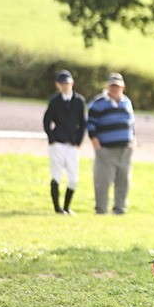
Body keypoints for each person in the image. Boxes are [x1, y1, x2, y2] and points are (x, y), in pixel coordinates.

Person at [87, 72, 135, 215]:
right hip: (105, 149)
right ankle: (101, 210)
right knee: (102, 182)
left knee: (123, 181)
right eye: (112, 86)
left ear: (123, 87)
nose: (115, 89)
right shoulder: (98, 103)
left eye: (118, 86)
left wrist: (133, 139)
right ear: (108, 86)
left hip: (125, 150)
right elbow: (90, 126)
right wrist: (97, 146)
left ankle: (120, 209)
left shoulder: (127, 102)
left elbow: (131, 122)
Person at [42, 69, 86, 214]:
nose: (65, 86)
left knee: (73, 179)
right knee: (56, 176)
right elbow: (47, 121)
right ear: (58, 85)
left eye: (67, 83)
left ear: (72, 83)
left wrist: (78, 141)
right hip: (58, 143)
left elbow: (83, 123)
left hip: (72, 144)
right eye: (62, 83)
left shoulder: (79, 101)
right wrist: (52, 140)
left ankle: (67, 207)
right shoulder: (55, 101)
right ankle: (57, 208)